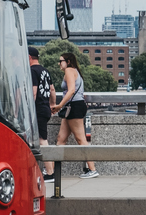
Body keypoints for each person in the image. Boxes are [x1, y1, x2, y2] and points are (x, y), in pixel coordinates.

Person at [52, 52, 98, 180]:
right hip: (73, 107)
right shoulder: (74, 71)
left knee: (80, 139)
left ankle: (92, 169)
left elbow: (71, 90)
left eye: (61, 61)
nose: (59, 63)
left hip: (74, 107)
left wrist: (60, 105)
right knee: (61, 139)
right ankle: (53, 171)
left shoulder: (69, 71)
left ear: (68, 61)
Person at [29, 47, 56, 182]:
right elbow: (52, 89)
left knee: (42, 140)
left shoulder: (32, 71)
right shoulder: (45, 71)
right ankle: (50, 171)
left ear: (29, 57)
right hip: (45, 107)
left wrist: (30, 110)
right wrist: (52, 104)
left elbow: (33, 92)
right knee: (42, 138)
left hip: (37, 109)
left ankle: (50, 173)